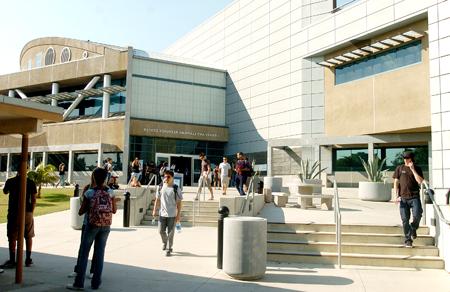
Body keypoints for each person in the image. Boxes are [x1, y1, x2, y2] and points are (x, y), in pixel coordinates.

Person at [67, 167, 117, 290]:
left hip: (91, 225)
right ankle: (96, 283)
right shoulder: (111, 192)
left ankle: (78, 283)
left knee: (84, 253)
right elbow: (114, 210)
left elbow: (80, 212)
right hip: (105, 226)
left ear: (94, 177)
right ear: (106, 178)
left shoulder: (90, 192)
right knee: (100, 254)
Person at [1, 173, 37, 268]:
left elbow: (5, 191)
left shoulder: (11, 181)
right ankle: (28, 259)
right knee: (28, 236)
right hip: (27, 212)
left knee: (12, 236)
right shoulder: (31, 182)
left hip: (14, 212)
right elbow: (34, 200)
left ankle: (12, 260)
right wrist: (31, 213)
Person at [393, 151, 424, 248]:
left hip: (414, 197)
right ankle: (408, 240)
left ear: (411, 159)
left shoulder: (417, 168)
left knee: (418, 215)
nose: (405, 160)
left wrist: (413, 169)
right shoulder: (399, 168)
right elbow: (396, 182)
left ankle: (413, 228)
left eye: (407, 158)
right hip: (403, 198)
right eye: (404, 158)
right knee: (405, 220)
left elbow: (420, 181)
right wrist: (396, 196)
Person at [152, 170, 183, 257]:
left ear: (172, 177)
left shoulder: (176, 188)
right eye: (165, 176)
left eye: (168, 177)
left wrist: (178, 215)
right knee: (161, 231)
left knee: (170, 233)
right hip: (162, 214)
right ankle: (165, 243)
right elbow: (157, 199)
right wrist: (154, 210)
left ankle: (169, 249)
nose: (166, 178)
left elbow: (179, 203)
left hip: (172, 214)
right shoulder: (160, 186)